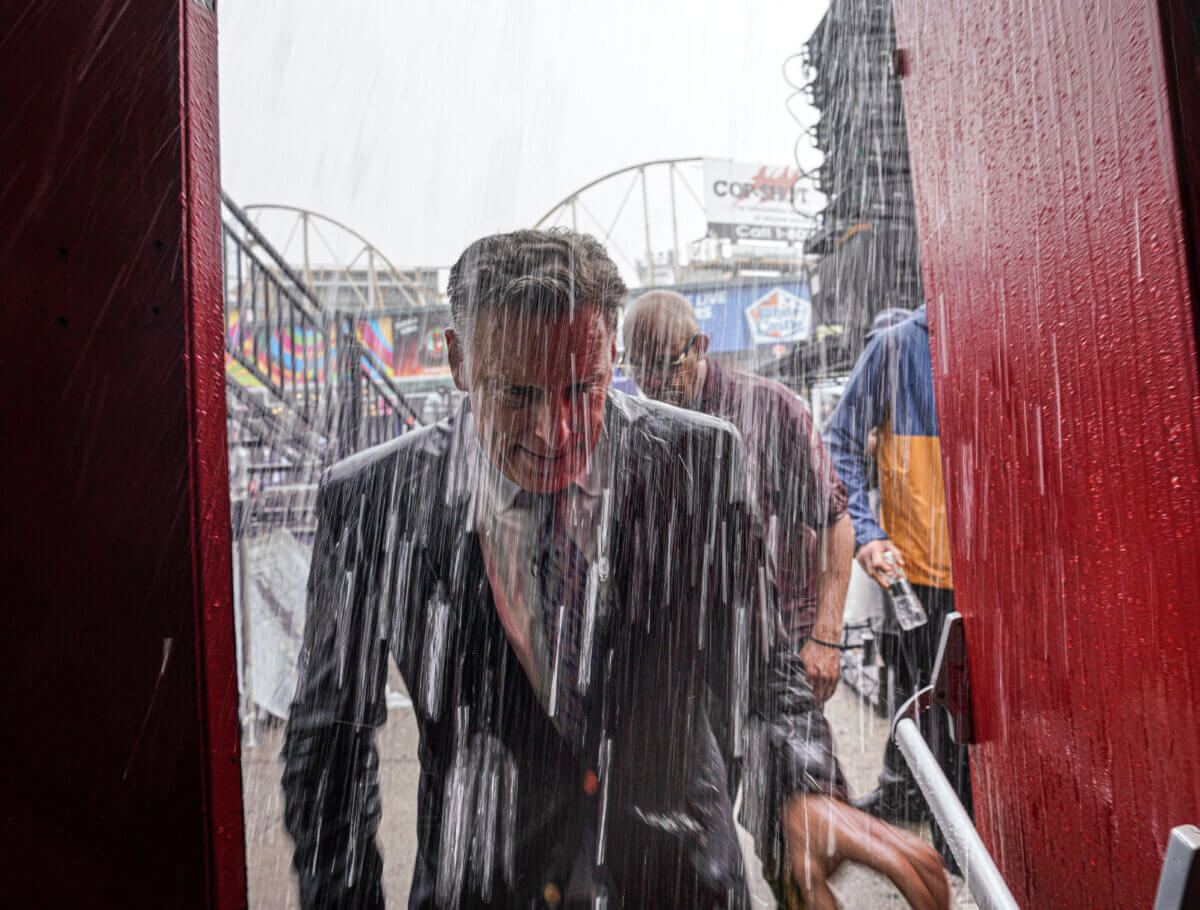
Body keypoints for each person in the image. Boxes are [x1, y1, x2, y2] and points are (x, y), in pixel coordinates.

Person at [283, 229, 949, 909]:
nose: (555, 432)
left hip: (681, 879)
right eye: (515, 393)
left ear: (611, 359)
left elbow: (757, 665)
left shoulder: (700, 463)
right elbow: (327, 750)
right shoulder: (373, 501)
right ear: (457, 361)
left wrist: (802, 788)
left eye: (583, 388)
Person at [621, 290, 854, 704]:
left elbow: (835, 522)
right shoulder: (640, 427)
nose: (652, 384)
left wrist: (827, 637)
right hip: (691, 652)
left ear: (700, 346)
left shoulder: (770, 408)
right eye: (638, 368)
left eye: (664, 365)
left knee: (800, 766)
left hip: (779, 642)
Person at [824, 304, 972, 869]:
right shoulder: (896, 347)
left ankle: (940, 818)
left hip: (994, 584)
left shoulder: (1006, 321)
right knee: (930, 705)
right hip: (924, 576)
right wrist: (866, 531)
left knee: (964, 715)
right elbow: (839, 442)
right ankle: (952, 842)